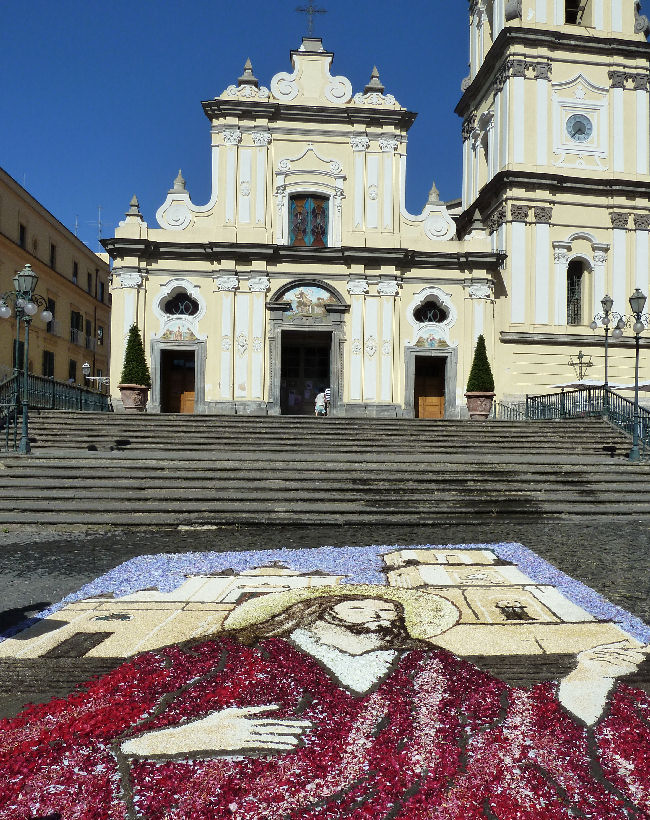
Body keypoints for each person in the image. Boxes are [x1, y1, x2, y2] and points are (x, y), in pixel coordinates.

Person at [1, 585, 649, 819]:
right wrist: (156, 743)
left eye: (385, 607)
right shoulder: (209, 660)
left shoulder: (431, 664)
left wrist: (585, 678)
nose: (373, 609)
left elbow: (511, 726)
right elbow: (75, 730)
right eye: (357, 602)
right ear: (312, 608)